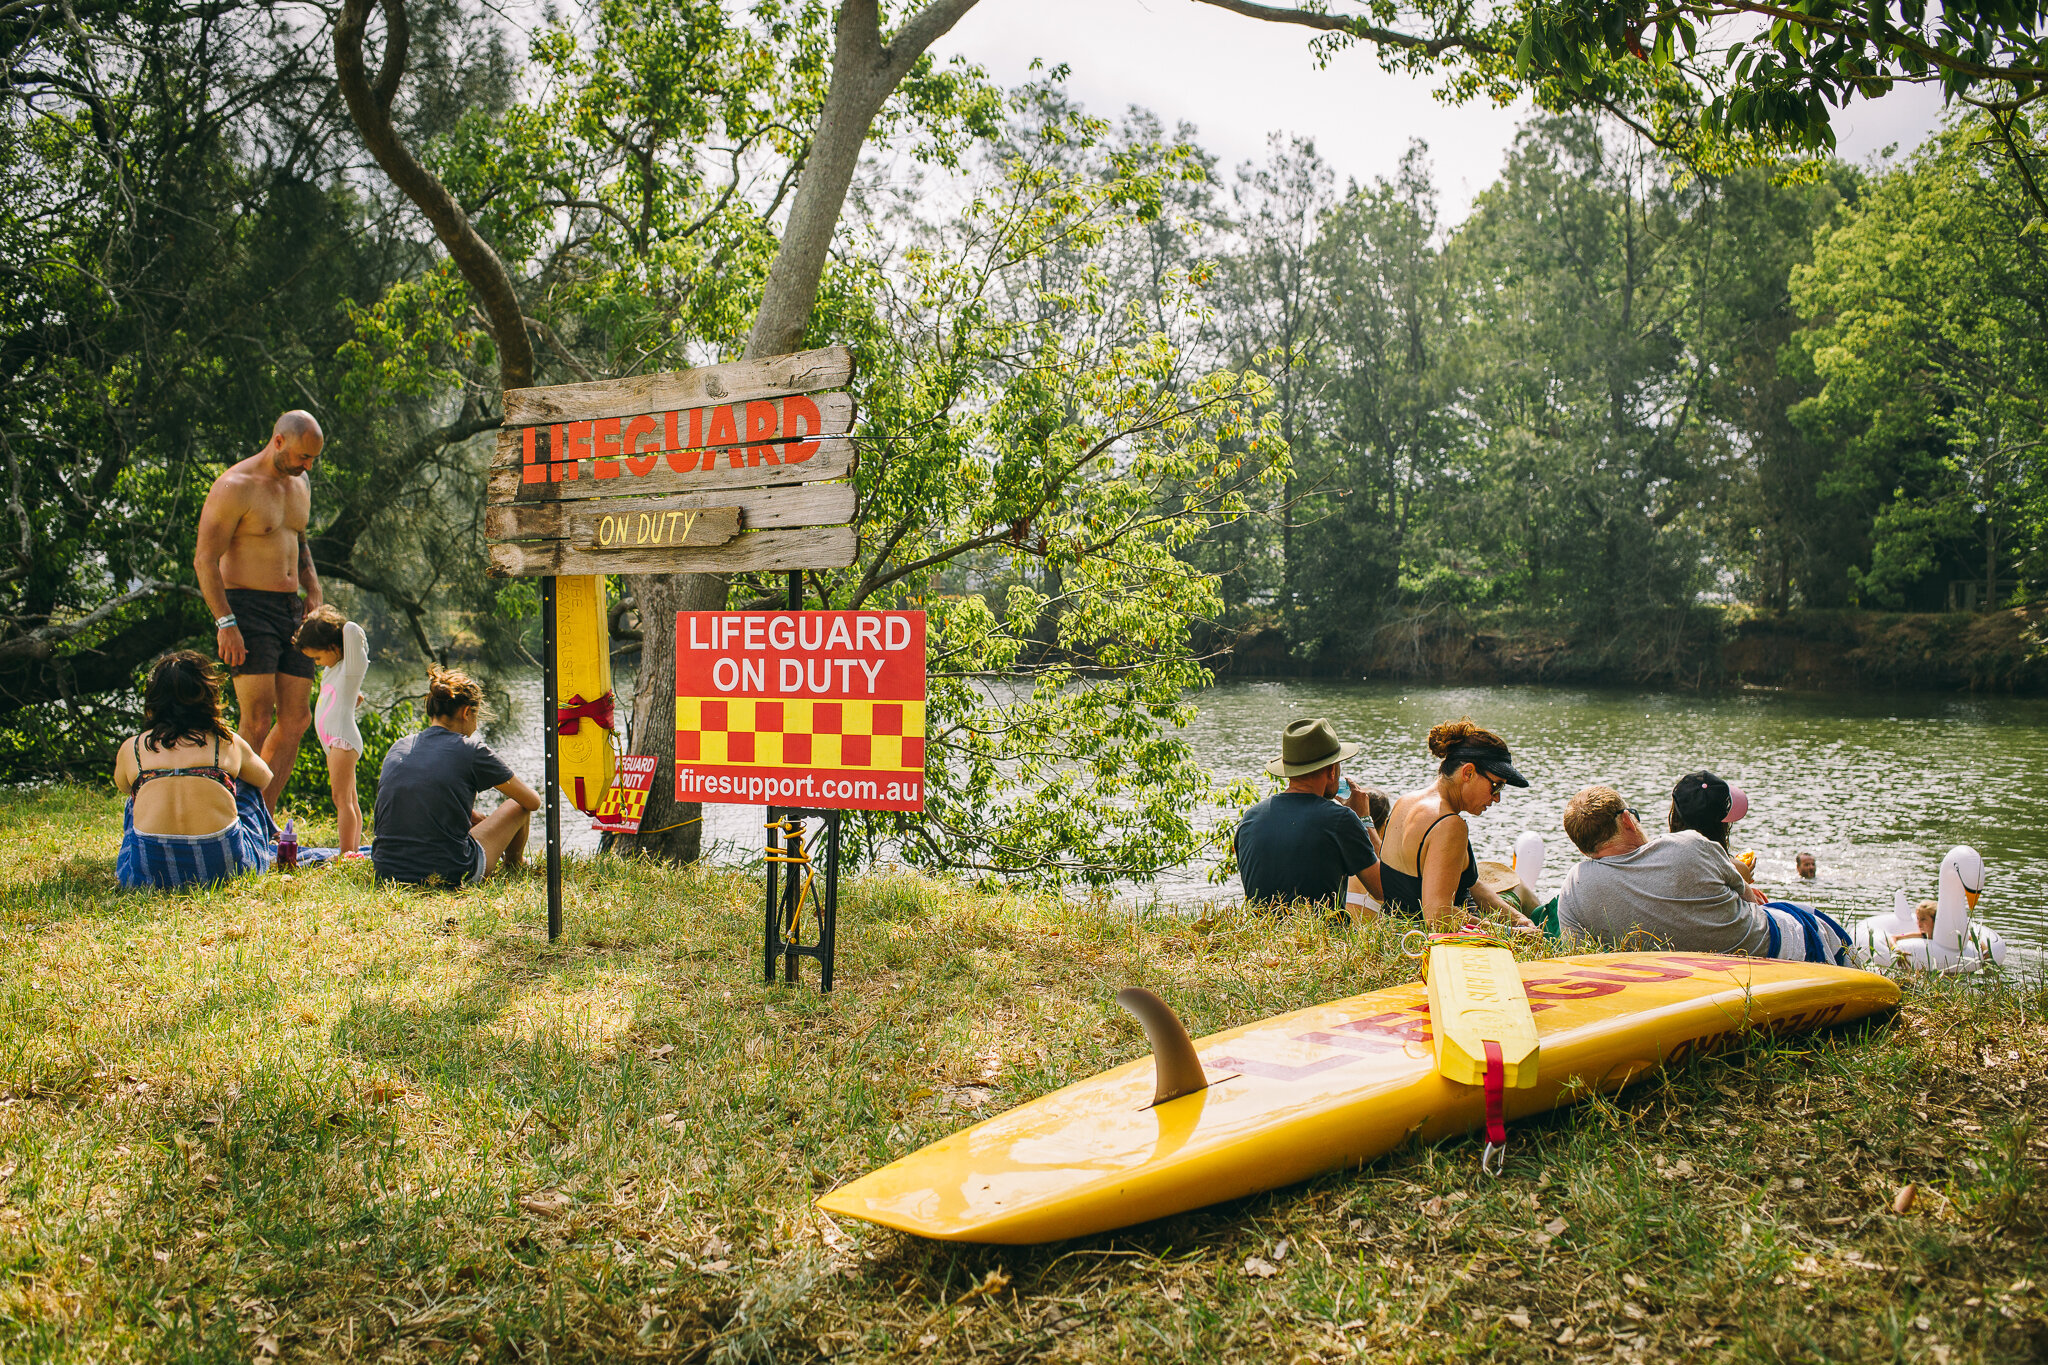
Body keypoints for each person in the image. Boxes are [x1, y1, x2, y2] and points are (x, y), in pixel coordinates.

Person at [194, 411, 325, 812]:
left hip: (292, 608)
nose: (307, 466)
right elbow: (204, 560)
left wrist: (314, 588)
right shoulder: (235, 486)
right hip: (247, 607)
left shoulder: (300, 482)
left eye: (313, 459)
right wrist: (225, 622)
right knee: (255, 719)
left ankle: (259, 816)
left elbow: (298, 540)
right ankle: (227, 816)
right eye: (303, 456)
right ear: (279, 441)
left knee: (297, 719)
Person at [1557, 786, 1848, 962]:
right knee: (1811, 919)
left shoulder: (1573, 888)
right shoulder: (1689, 844)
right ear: (1627, 821)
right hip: (1764, 955)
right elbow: (1752, 900)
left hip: (1674, 982)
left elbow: (1579, 956)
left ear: (1584, 847)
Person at [114, 652, 277, 890]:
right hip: (224, 870)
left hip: (149, 875)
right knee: (245, 782)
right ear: (208, 696)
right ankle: (274, 841)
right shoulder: (227, 741)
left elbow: (122, 786)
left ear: (153, 699)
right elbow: (264, 778)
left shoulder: (134, 747)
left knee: (135, 795)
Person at [372, 668, 539, 887]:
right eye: (476, 716)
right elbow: (531, 801)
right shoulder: (472, 750)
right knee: (517, 806)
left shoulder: (399, 746)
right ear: (466, 712)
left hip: (387, 870)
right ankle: (514, 864)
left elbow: (417, 795)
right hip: (451, 871)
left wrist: (471, 816)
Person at [1377, 718, 1537, 932]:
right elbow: (1438, 916)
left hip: (1396, 933)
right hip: (1431, 945)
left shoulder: (1405, 802)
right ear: (1468, 773)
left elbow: (1467, 882)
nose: (1497, 798)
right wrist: (1511, 933)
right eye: (1496, 786)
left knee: (1521, 903)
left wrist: (1518, 920)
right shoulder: (1449, 825)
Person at [1234, 718, 1383, 912]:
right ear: (1331, 771)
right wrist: (1364, 820)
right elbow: (1384, 889)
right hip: (1323, 940)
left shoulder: (1250, 818)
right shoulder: (1340, 820)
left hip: (1261, 938)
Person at [293, 606, 369, 856]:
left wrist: (324, 622)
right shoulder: (333, 669)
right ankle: (353, 851)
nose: (316, 663)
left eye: (317, 657)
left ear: (334, 648)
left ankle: (347, 853)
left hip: (342, 741)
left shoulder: (351, 667)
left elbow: (351, 629)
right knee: (350, 799)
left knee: (342, 800)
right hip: (335, 742)